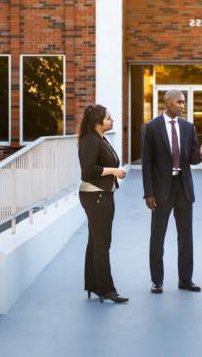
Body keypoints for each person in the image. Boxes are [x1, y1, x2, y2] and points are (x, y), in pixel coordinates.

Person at [141, 89, 202, 294]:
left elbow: (191, 159)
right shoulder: (151, 128)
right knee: (157, 236)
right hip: (161, 190)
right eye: (179, 102)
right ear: (166, 103)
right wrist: (148, 193)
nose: (182, 106)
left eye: (184, 102)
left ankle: (185, 279)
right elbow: (147, 163)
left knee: (186, 236)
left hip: (183, 188)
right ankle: (157, 280)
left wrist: (200, 153)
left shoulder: (188, 127)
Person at [78, 104, 128, 304]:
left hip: (102, 195)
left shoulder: (100, 138)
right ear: (98, 122)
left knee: (95, 242)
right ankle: (107, 290)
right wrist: (113, 171)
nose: (112, 121)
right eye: (108, 118)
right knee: (102, 244)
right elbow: (88, 171)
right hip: (96, 196)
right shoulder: (91, 140)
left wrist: (112, 172)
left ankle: (93, 285)